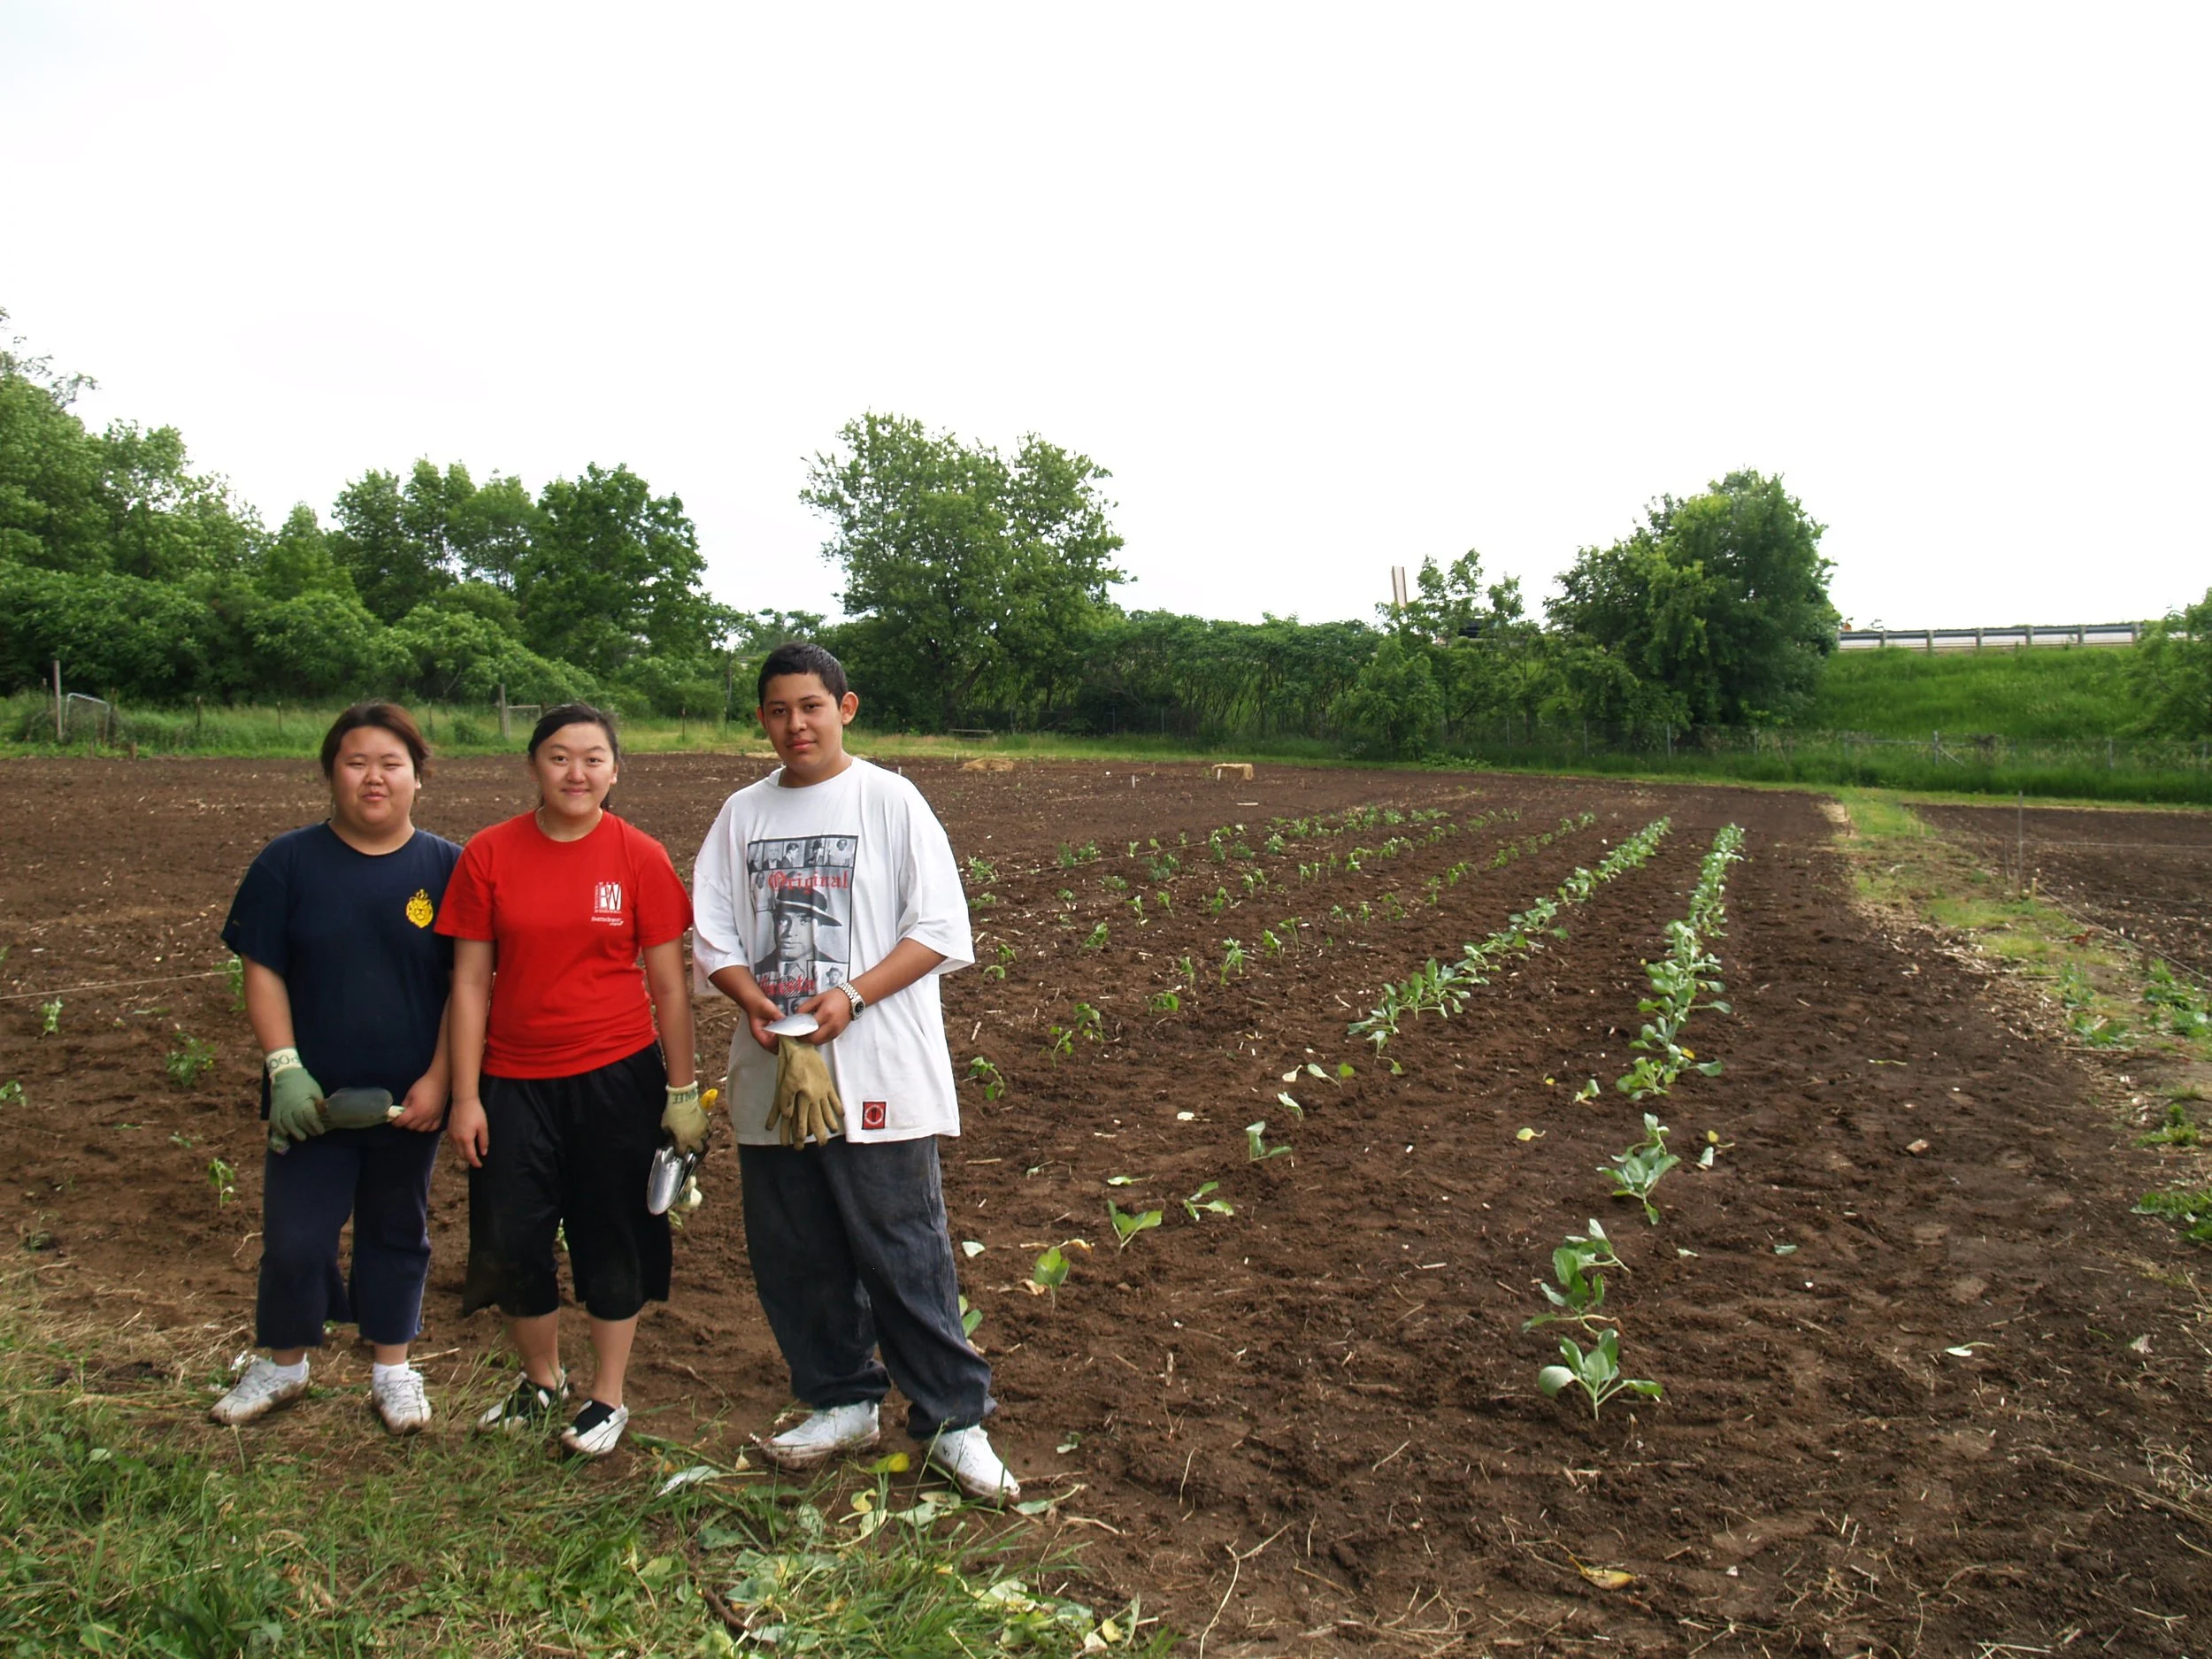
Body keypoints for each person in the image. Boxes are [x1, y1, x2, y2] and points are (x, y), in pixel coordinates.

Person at [692, 641, 1019, 1502]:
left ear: (846, 708)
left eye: (810, 705)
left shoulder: (889, 801)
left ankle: (953, 1419)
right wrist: (749, 998)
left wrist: (852, 997)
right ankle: (838, 1398)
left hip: (876, 1067)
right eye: (776, 710)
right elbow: (713, 933)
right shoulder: (741, 815)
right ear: (761, 720)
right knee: (794, 1249)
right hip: (773, 1068)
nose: (794, 724)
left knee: (902, 1248)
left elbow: (938, 928)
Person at [437, 703, 702, 1458]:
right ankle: (541, 1379)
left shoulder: (638, 856)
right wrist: (464, 1095)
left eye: (592, 758)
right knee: (511, 1236)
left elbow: (671, 988)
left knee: (612, 1232)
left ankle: (606, 1396)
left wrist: (680, 1092)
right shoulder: (489, 854)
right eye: (559, 757)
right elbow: (469, 983)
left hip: (617, 1077)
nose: (576, 772)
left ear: (615, 771)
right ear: (533, 767)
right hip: (511, 1079)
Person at [213, 703, 459, 1434]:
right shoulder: (287, 862)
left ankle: (393, 1371)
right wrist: (285, 1068)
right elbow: (264, 970)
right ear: (331, 774)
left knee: (397, 1227)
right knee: (296, 1235)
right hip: (310, 1101)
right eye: (356, 763)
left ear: (418, 777)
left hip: (408, 1098)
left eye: (392, 764)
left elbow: (466, 986)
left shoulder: (447, 867)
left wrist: (441, 1079)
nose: (374, 778)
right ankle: (283, 1363)